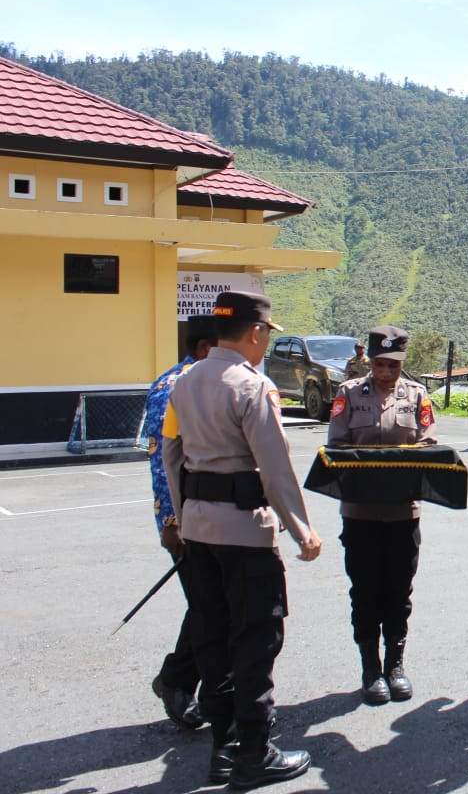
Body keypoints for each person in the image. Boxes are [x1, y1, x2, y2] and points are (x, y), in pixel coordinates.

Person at [161, 291, 323, 789]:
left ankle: (225, 750)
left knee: (213, 639)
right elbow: (274, 468)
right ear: (255, 332)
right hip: (244, 534)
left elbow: (171, 456)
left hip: (200, 530)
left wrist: (185, 515)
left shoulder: (183, 382)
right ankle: (255, 752)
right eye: (265, 335)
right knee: (255, 640)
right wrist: (302, 529)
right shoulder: (253, 387)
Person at [328, 326, 436, 705]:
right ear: (369, 360)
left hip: (403, 511)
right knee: (365, 590)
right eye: (379, 363)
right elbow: (336, 446)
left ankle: (395, 664)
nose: (386, 372)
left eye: (393, 364)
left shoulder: (417, 395)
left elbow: (426, 443)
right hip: (360, 512)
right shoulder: (348, 394)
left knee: (399, 590)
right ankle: (370, 667)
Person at [144, 313, 215, 731]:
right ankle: (176, 681)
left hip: (208, 515)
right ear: (206, 348)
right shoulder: (174, 386)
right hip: (187, 520)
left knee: (215, 604)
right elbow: (162, 459)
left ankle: (205, 691)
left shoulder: (202, 381)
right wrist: (173, 521)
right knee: (208, 606)